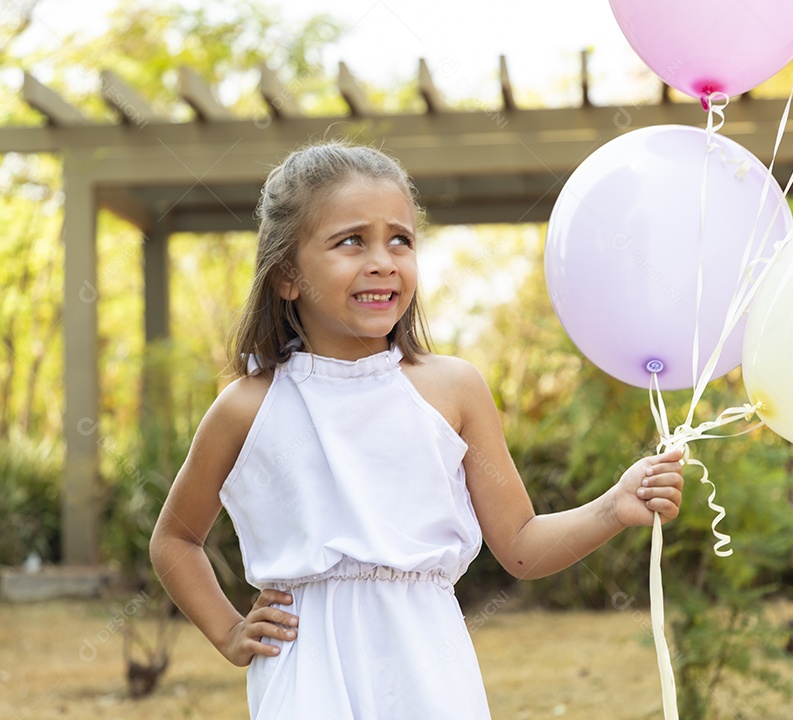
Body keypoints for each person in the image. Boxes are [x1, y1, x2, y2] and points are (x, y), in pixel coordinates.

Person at [149, 141, 685, 719]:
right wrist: (229, 633)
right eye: (352, 240)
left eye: (399, 240)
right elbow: (174, 539)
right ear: (286, 275)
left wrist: (613, 506)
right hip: (306, 671)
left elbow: (523, 547)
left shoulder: (453, 389)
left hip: (430, 676)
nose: (382, 260)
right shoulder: (247, 407)